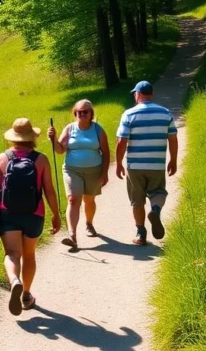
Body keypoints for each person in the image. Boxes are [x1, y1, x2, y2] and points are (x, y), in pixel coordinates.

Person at [0, 118, 61, 316]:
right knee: (29, 254)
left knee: (12, 254)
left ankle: (15, 282)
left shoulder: (2, 158)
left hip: (8, 213)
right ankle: (26, 295)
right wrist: (56, 215)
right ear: (32, 137)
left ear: (13, 137)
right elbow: (49, 190)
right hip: (34, 214)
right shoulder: (41, 160)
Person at [115, 81, 178, 246]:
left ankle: (141, 233)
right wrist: (173, 160)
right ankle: (155, 210)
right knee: (158, 192)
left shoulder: (129, 114)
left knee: (137, 200)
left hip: (135, 166)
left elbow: (122, 141)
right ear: (151, 94)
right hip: (156, 164)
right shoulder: (165, 113)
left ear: (138, 94)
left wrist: (119, 163)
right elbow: (173, 139)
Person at [47, 99, 110, 250]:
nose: (82, 114)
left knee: (89, 200)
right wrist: (53, 138)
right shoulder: (70, 129)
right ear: (75, 113)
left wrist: (104, 172)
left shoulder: (97, 130)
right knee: (73, 199)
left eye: (85, 111)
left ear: (91, 114)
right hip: (72, 169)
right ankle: (72, 235)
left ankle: (89, 223)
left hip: (94, 170)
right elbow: (60, 150)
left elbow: (106, 153)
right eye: (79, 112)